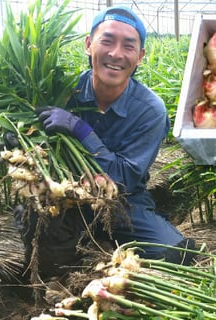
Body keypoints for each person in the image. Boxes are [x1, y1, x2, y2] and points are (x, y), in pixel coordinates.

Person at [17, 6, 195, 278]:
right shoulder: (63, 93)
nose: (116, 54)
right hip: (66, 193)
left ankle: (104, 238)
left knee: (173, 253)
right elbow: (37, 146)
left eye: (128, 46)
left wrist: (81, 129)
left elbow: (125, 178)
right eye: (107, 41)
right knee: (43, 239)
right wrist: (17, 141)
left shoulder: (150, 110)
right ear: (89, 45)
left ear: (140, 57)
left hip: (123, 198)